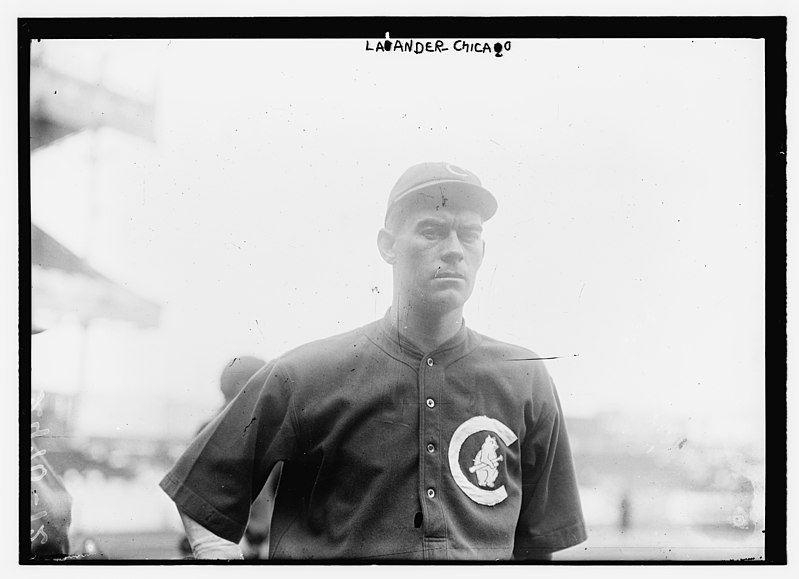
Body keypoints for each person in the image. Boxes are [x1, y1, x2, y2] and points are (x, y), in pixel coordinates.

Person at [160, 162, 587, 560]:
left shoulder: (525, 376)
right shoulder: (307, 373)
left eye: (469, 235)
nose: (454, 250)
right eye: (432, 231)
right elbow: (201, 490)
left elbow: (538, 545)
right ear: (388, 246)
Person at [176, 356, 278, 559]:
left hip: (260, 543)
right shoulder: (210, 432)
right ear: (243, 385)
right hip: (225, 543)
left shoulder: (265, 432)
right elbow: (195, 498)